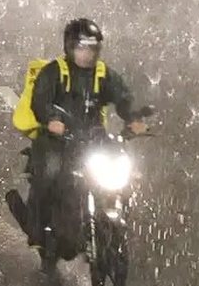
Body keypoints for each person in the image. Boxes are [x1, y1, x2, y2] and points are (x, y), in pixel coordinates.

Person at [25, 18, 147, 248]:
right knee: (49, 173)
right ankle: (37, 228)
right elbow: (40, 101)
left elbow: (123, 98)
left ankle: (111, 211)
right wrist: (52, 120)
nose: (87, 54)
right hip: (57, 140)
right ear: (70, 48)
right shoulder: (54, 72)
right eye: (82, 47)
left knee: (124, 169)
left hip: (92, 138)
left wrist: (133, 119)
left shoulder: (103, 74)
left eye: (92, 48)